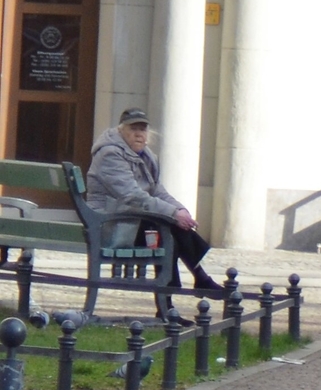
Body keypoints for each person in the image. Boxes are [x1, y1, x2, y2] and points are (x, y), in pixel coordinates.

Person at [85, 108, 223, 297]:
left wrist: (180, 209)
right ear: (120, 130)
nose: (139, 134)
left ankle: (190, 288)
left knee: (171, 229)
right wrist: (173, 215)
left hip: (132, 220)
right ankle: (186, 291)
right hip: (111, 225)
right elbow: (133, 196)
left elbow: (157, 190)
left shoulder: (145, 155)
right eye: (133, 129)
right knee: (166, 230)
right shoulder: (110, 155)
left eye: (143, 129)